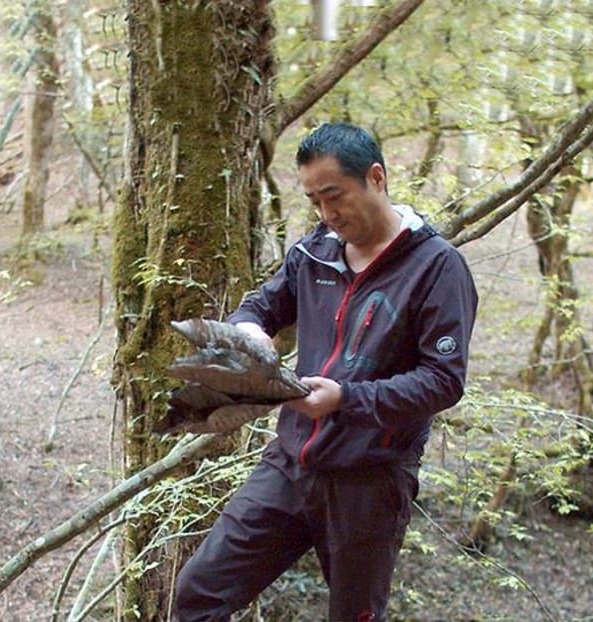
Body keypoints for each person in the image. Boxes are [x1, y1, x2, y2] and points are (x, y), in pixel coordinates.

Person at [173, 122, 478, 622]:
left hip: (370, 479)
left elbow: (444, 380)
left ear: (375, 178)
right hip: (290, 463)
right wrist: (247, 334)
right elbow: (260, 307)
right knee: (199, 592)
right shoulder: (315, 250)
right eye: (314, 201)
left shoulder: (436, 268)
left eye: (334, 197)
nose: (326, 214)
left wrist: (345, 399)